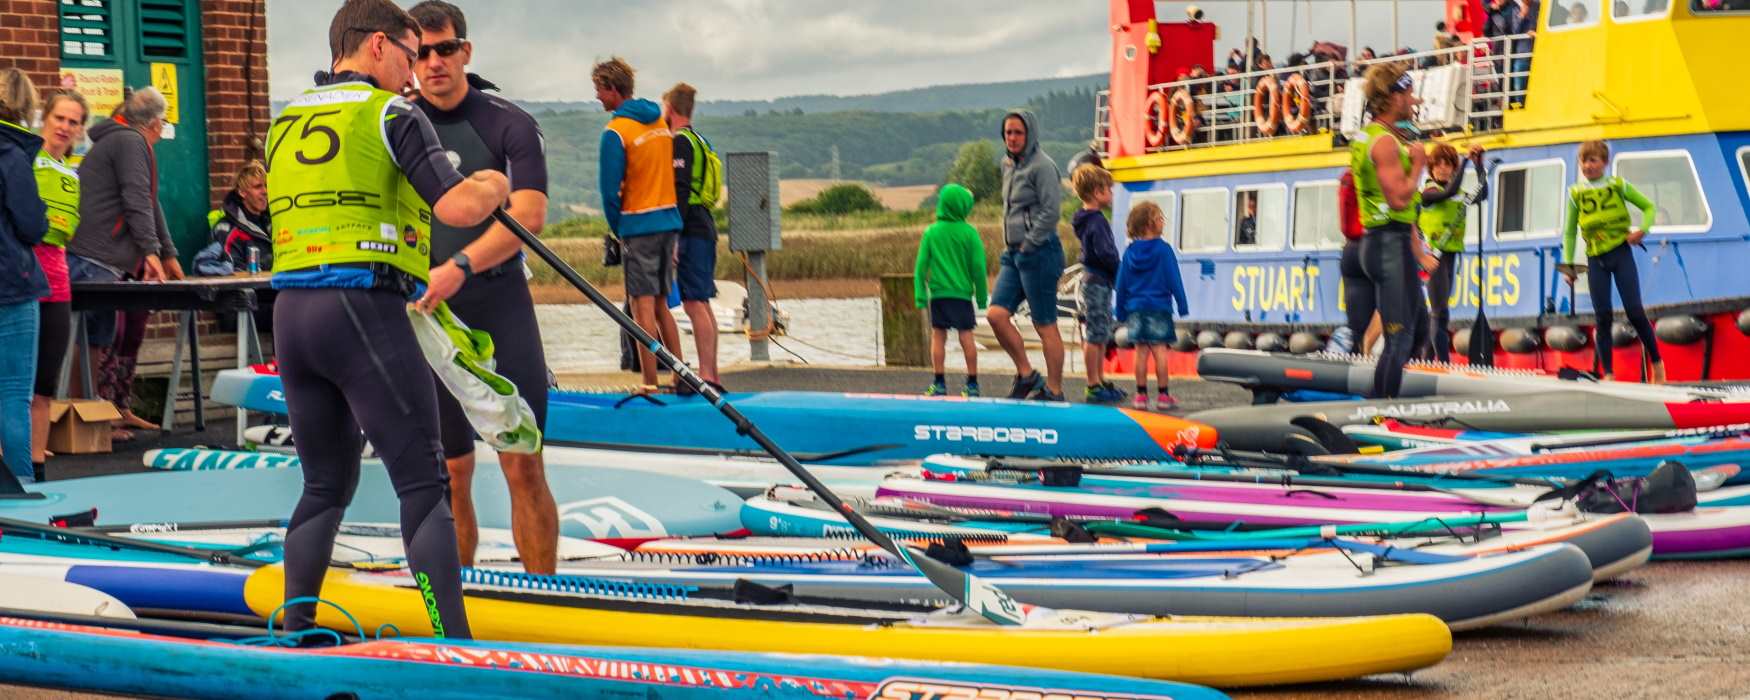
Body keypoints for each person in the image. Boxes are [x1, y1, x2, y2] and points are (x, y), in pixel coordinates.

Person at [270, 0, 513, 640]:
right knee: (424, 485)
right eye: (409, 55)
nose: (413, 73)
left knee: (324, 485)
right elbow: (459, 206)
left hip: (292, 317)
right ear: (377, 45)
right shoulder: (392, 112)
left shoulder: (285, 118)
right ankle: (452, 644)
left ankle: (295, 631)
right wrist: (493, 184)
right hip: (362, 308)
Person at [408, 0, 559, 575]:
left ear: (465, 51)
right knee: (451, 471)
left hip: (494, 301)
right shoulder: (398, 120)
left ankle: (542, 599)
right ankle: (458, 602)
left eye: (444, 49)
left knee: (523, 462)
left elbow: (531, 215)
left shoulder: (507, 122)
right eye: (420, 53)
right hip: (428, 314)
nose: (433, 62)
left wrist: (460, 267)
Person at [65, 86, 181, 440]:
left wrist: (167, 252)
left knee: (122, 327)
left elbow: (149, 202)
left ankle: (113, 410)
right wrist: (150, 251)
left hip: (106, 256)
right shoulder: (130, 142)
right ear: (156, 124)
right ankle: (85, 417)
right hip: (94, 254)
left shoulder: (123, 140)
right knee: (97, 334)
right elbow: (136, 199)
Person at [594, 57, 684, 393]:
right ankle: (679, 374)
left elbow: (609, 191)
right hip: (668, 222)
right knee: (661, 303)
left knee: (639, 304)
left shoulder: (615, 132)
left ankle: (648, 382)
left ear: (613, 90)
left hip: (638, 224)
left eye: (600, 91)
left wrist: (618, 228)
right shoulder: (661, 122)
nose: (598, 98)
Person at [1350, 64, 1431, 398]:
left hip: (1392, 241)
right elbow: (1399, 199)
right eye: (1408, 93)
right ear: (1393, 97)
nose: (1413, 99)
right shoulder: (1383, 142)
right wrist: (1419, 164)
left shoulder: (1381, 136)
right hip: (1385, 244)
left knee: (1420, 330)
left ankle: (1393, 399)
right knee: (1399, 337)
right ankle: (1380, 410)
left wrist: (1417, 251)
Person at [1562, 140, 1663, 383]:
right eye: (1583, 161)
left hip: (1620, 253)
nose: (1588, 166)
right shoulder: (1576, 194)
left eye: (1593, 160)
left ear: (1604, 163)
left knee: (1635, 312)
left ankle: (1657, 364)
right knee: (1603, 316)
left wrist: (1643, 230)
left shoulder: (1618, 186)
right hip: (1596, 258)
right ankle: (1608, 373)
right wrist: (1569, 266)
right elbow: (1569, 232)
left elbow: (1649, 207)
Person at [29, 90, 87, 482]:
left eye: (74, 121)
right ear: (44, 118)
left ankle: (36, 468)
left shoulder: (72, 171)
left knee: (45, 383)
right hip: (21, 276)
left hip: (58, 281)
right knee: (13, 381)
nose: (65, 127)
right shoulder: (25, 159)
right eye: (60, 118)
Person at [988, 110, 1066, 401]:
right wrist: (1016, 246)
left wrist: (1030, 242)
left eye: (1018, 132)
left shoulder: (1043, 166)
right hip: (1013, 254)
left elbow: (1051, 211)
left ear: (1029, 134)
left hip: (1041, 253)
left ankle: (1055, 391)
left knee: (1045, 324)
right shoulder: (1007, 164)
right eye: (1008, 132)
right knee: (996, 315)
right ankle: (1026, 374)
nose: (1012, 138)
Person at [0, 69, 49, 486]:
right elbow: (32, 225)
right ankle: (19, 493)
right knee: (13, 396)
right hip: (10, 286)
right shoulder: (11, 155)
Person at [662, 82, 725, 393]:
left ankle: (706, 375)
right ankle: (711, 373)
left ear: (671, 110)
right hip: (705, 225)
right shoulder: (702, 140)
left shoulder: (681, 143)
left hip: (691, 229)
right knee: (701, 302)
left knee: (694, 303)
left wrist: (673, 235)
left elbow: (681, 191)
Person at [912, 183, 987, 398]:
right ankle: (972, 384)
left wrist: (920, 294)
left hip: (938, 295)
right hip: (962, 295)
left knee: (938, 336)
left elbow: (921, 267)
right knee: (966, 337)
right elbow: (979, 267)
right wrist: (981, 297)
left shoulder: (931, 232)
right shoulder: (970, 233)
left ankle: (939, 382)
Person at [1417, 143, 1488, 362]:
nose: (1443, 169)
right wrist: (1465, 161)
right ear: (1431, 168)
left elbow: (1482, 194)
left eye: (1448, 164)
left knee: (1438, 312)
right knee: (1441, 312)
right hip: (1433, 257)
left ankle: (1427, 360)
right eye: (1438, 164)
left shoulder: (1458, 193)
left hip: (1450, 255)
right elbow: (1449, 192)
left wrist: (1478, 166)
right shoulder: (1428, 192)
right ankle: (1445, 365)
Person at [1115, 201, 1188, 411]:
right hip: (1159, 308)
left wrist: (1119, 310)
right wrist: (1182, 304)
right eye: (1159, 218)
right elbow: (1174, 279)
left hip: (1136, 309)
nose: (1162, 221)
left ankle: (1141, 396)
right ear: (1149, 223)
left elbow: (1122, 284)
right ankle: (1163, 396)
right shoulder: (1163, 250)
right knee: (1160, 352)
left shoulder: (1129, 253)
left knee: (1140, 353)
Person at [1070, 165, 1125, 405]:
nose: (1112, 194)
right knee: (1095, 334)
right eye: (1108, 189)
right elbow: (1106, 253)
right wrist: (1120, 270)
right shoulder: (1097, 222)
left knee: (1100, 333)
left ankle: (1100, 381)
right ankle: (1093, 383)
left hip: (1095, 281)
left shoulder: (1086, 220)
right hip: (1097, 282)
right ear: (1096, 192)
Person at [194, 160, 271, 275]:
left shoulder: (274, 222)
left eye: (266, 186)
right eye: (258, 187)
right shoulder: (226, 229)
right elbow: (233, 271)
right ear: (242, 192)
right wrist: (266, 264)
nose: (265, 191)